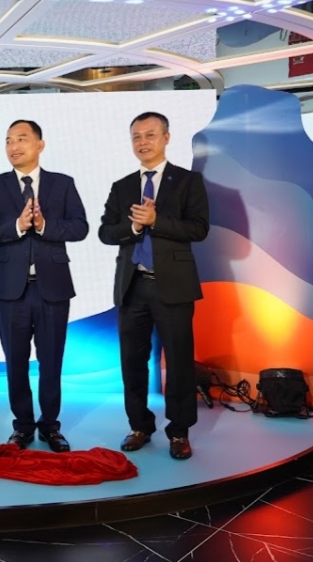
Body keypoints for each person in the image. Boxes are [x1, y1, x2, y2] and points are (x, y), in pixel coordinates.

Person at [97, 112, 209, 461]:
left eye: (150, 135)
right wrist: (132, 228)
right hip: (132, 287)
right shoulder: (122, 186)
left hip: (173, 286)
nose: (142, 142)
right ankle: (140, 426)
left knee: (178, 362)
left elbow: (198, 229)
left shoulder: (187, 181)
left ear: (166, 137)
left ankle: (179, 431)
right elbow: (105, 232)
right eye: (136, 136)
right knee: (132, 361)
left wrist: (157, 221)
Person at [0, 119, 88, 452]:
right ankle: (23, 426)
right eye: (8, 140)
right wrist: (16, 225)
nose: (14, 146)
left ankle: (50, 426)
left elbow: (80, 227)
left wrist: (43, 225)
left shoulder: (62, 184)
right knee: (15, 361)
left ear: (40, 144)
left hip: (52, 287)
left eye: (22, 139)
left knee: (51, 360)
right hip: (9, 289)